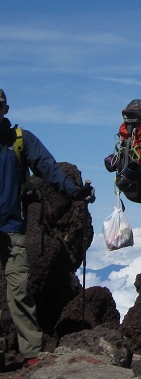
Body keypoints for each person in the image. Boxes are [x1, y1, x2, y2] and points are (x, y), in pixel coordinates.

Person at [0, 88, 95, 369]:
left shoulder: (20, 140)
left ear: (5, 110)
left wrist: (75, 192)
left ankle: (31, 354)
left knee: (19, 290)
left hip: (12, 228)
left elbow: (49, 169)